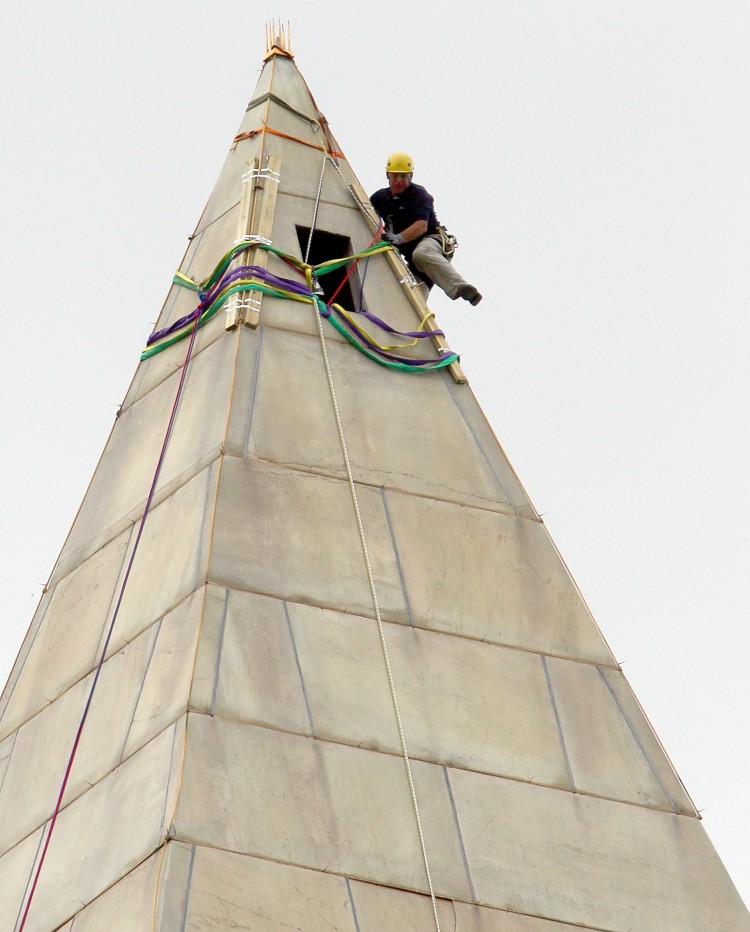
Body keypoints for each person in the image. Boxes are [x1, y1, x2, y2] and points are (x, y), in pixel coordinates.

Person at [370, 152, 482, 305]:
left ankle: (461, 288)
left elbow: (421, 227)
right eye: (395, 176)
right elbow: (365, 211)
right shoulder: (380, 198)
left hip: (432, 243)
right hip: (416, 262)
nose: (399, 181)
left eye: (404, 177)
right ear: (388, 176)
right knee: (410, 302)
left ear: (411, 177)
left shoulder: (418, 194)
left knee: (421, 253)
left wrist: (398, 238)